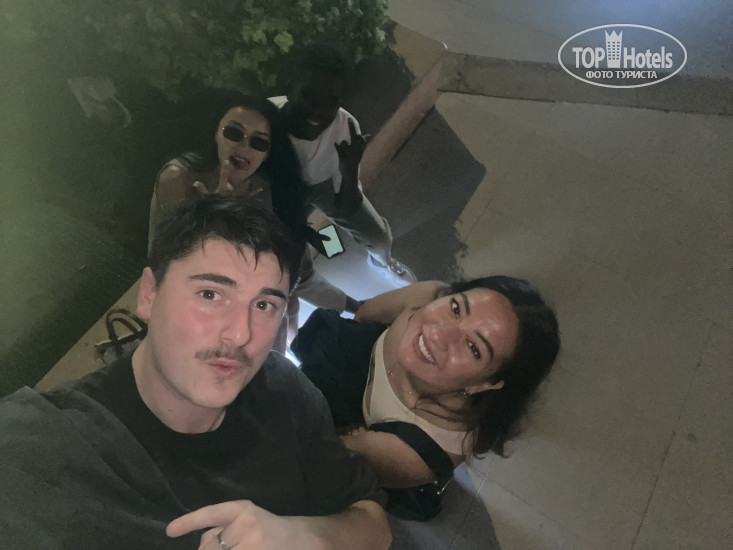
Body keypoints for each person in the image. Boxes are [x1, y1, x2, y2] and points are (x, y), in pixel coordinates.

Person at [0, 195, 391, 549]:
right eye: (210, 294)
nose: (240, 334)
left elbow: (373, 523)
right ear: (148, 294)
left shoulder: (285, 388)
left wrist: (301, 537)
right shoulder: (43, 446)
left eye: (264, 305)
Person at [292, 276, 560, 520]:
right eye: (456, 309)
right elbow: (363, 316)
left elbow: (321, 454)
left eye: (473, 347)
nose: (438, 333)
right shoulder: (427, 295)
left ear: (485, 384)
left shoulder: (416, 452)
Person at [148, 92, 360, 348]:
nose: (244, 147)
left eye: (259, 142)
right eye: (234, 133)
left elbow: (277, 260)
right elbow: (177, 267)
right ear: (216, 132)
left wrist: (356, 307)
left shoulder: (259, 185)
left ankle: (335, 318)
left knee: (285, 298)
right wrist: (216, 214)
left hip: (249, 285)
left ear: (268, 153)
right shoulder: (179, 178)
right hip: (200, 303)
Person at [270, 43, 416, 287]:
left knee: (379, 237)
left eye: (331, 102)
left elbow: (347, 207)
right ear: (288, 86)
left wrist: (349, 170)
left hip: (322, 182)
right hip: (282, 190)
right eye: (309, 95)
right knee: (292, 262)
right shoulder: (264, 122)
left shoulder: (345, 128)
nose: (319, 111)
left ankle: (381, 262)